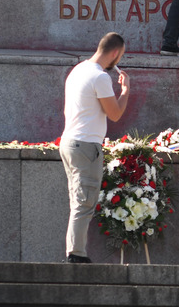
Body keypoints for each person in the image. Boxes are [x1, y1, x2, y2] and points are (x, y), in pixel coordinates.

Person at [60, 32, 131, 263]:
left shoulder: (78, 69)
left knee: (78, 200)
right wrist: (125, 91)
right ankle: (76, 255)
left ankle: (75, 251)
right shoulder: (100, 77)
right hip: (86, 146)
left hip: (69, 142)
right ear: (115, 53)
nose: (118, 62)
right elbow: (115, 114)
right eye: (119, 57)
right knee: (85, 202)